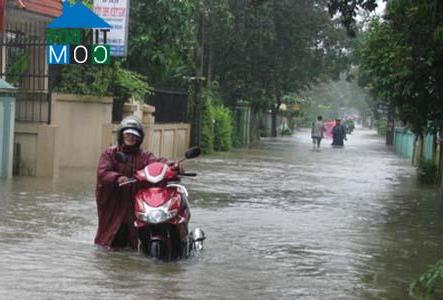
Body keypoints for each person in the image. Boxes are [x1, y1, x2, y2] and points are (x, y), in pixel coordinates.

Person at [94, 116, 169, 250]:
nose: (130, 138)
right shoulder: (110, 154)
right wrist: (117, 178)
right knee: (109, 241)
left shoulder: (145, 156)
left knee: (138, 236)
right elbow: (103, 172)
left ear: (139, 138)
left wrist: (172, 166)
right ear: (121, 135)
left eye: (134, 135)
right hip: (115, 202)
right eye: (127, 134)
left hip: (136, 201)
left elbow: (157, 163)